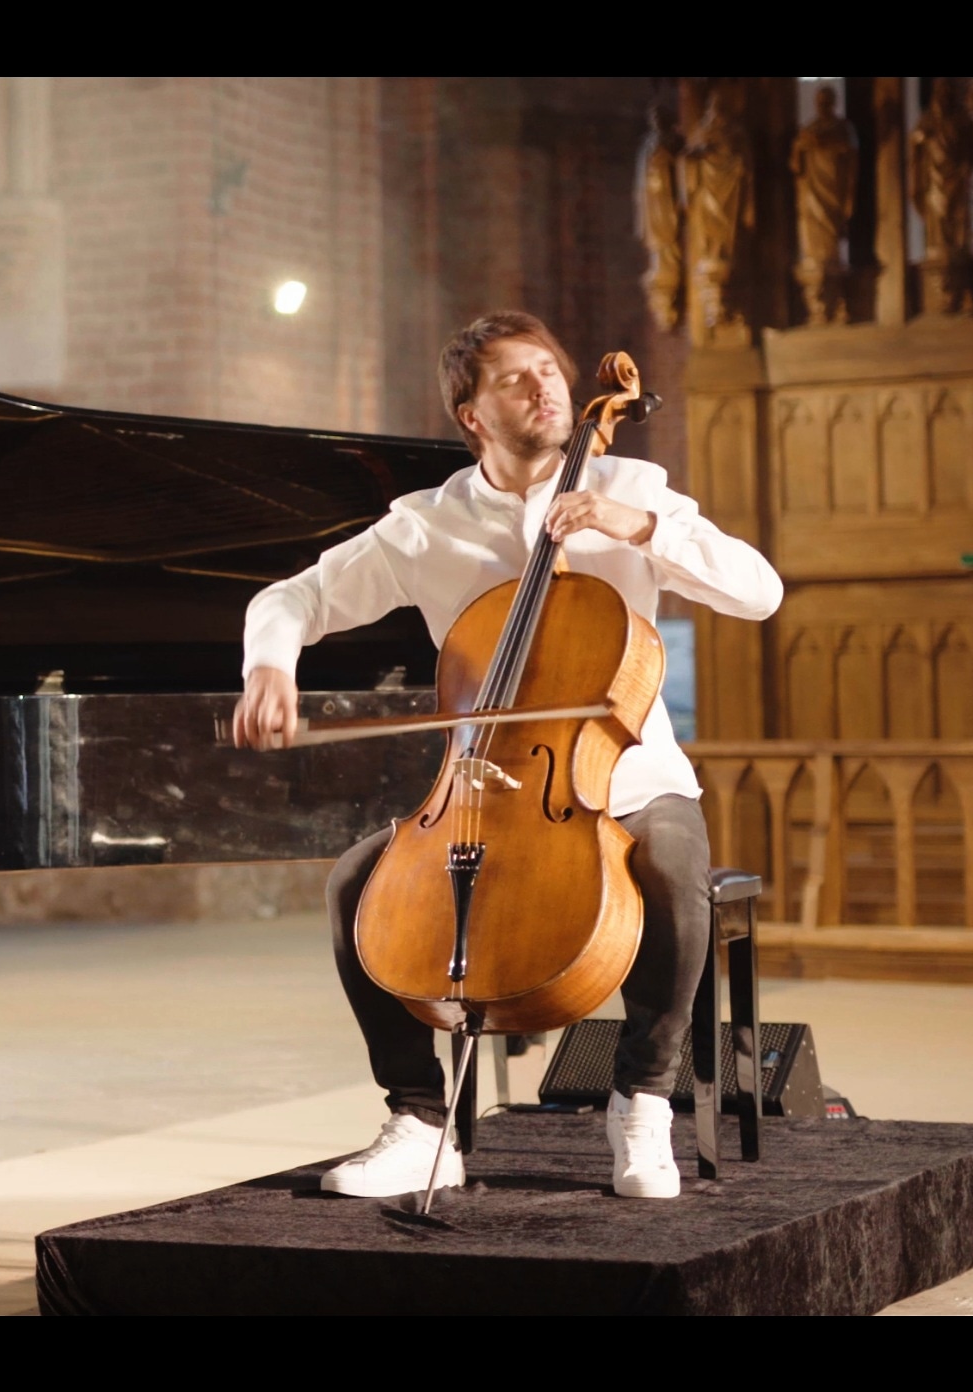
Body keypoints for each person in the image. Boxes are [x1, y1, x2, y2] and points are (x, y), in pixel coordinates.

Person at [231, 313, 781, 1200]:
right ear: (472, 414)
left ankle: (642, 1101)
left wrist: (636, 526)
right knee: (355, 886)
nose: (545, 387)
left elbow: (760, 592)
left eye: (550, 371)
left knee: (674, 864)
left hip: (628, 778)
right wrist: (268, 668)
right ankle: (420, 1124)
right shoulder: (425, 526)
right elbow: (291, 599)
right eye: (515, 378)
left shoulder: (632, 486)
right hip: (483, 788)